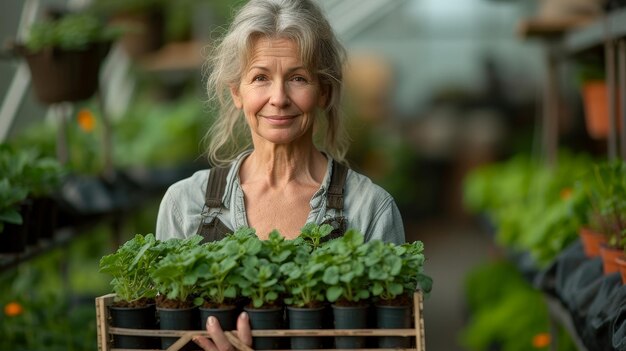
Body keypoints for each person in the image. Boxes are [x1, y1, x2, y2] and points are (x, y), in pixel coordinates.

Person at [155, 0, 406, 349]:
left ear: (325, 91)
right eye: (260, 78)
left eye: (298, 78)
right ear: (236, 92)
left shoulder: (370, 209)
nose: (278, 98)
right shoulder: (185, 204)